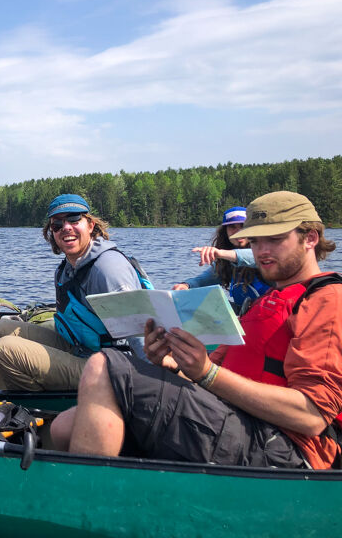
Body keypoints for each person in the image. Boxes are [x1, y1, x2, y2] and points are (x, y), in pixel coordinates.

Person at [50, 191, 342, 469]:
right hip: (234, 418)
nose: (261, 251)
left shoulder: (326, 300)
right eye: (254, 241)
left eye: (275, 239)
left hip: (282, 447)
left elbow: (313, 416)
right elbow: (212, 372)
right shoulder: (267, 300)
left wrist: (207, 373)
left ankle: (86, 503)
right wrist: (170, 363)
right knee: (64, 427)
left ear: (310, 238)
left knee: (104, 365)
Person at [0, 194, 147, 391]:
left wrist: (152, 386)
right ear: (51, 232)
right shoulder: (69, 268)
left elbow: (139, 333)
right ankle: (5, 392)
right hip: (83, 348)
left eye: (73, 219)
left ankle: (33, 411)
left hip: (115, 370)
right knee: (0, 329)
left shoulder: (108, 269)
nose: (66, 228)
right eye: (57, 225)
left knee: (7, 349)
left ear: (90, 225)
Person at [172, 206, 270, 311]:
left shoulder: (265, 255)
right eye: (232, 227)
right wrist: (186, 285)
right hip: (246, 316)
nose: (238, 231)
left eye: (243, 226)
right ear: (225, 232)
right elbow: (204, 279)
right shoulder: (225, 263)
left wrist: (220, 253)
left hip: (269, 315)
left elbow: (254, 257)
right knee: (200, 301)